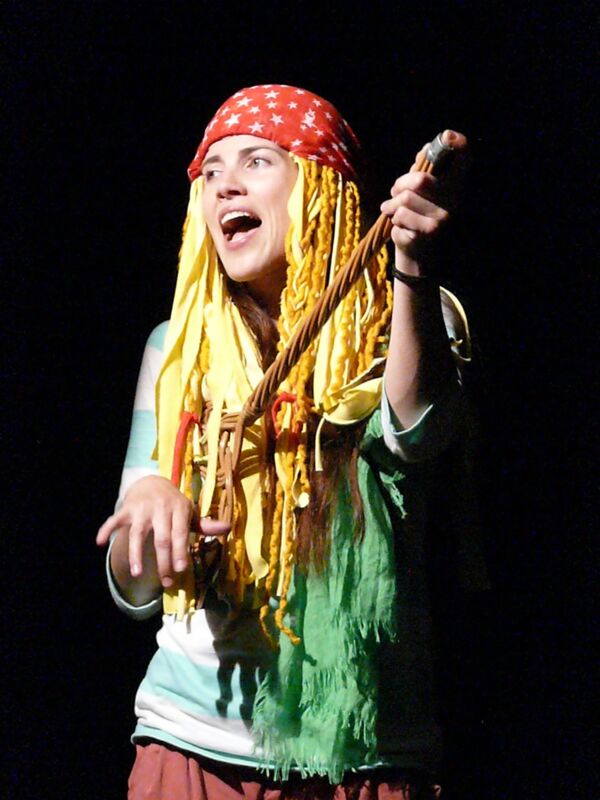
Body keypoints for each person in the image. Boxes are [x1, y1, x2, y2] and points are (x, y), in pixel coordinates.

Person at [97, 84, 478, 799]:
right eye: (211, 173)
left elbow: (416, 433)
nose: (225, 185)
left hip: (368, 752)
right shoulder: (175, 349)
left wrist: (414, 268)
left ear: (323, 188)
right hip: (191, 742)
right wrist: (145, 510)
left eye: (258, 161)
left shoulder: (410, 317)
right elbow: (134, 589)